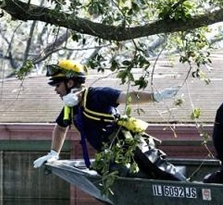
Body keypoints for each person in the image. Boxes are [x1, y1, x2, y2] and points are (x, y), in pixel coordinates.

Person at [33, 59, 180, 173]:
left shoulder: (97, 95)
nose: (56, 91)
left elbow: (128, 97)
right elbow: (60, 128)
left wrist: (156, 96)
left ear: (70, 82)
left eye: (57, 85)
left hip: (134, 146)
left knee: (161, 171)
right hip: (111, 156)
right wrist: (53, 153)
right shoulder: (70, 109)